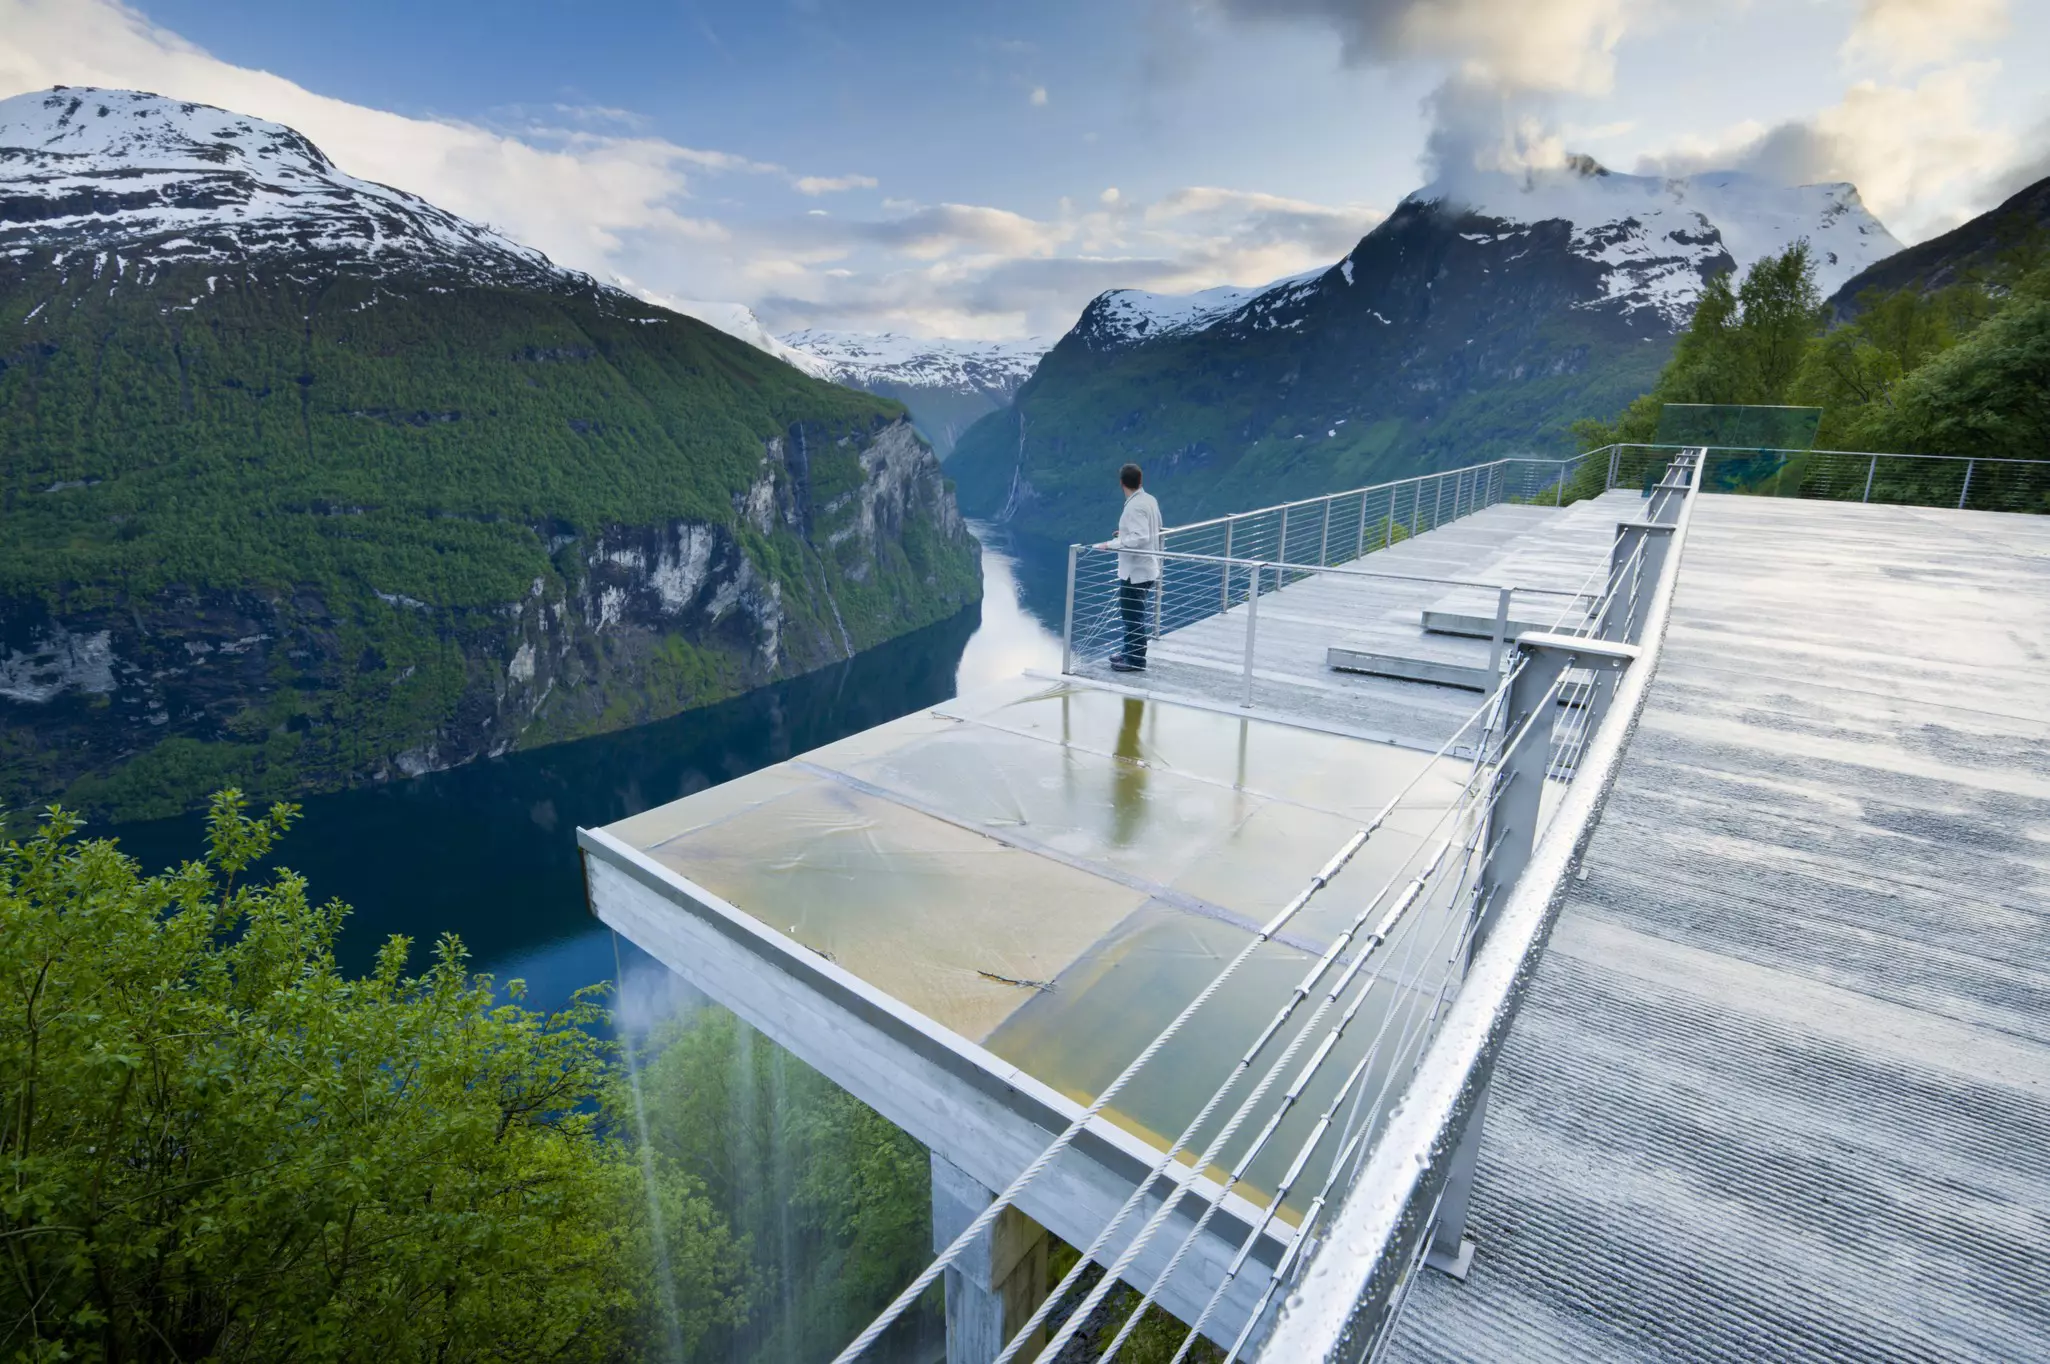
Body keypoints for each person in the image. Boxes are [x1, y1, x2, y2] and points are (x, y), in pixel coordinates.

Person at [1103, 462, 1162, 672]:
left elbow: (1140, 537)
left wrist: (1110, 545)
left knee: (1132, 616)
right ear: (1140, 481)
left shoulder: (1135, 506)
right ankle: (1129, 652)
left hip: (1135, 572)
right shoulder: (1149, 500)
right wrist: (1125, 535)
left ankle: (1135, 660)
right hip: (1147, 568)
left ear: (1121, 483)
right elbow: (1150, 530)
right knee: (1132, 614)